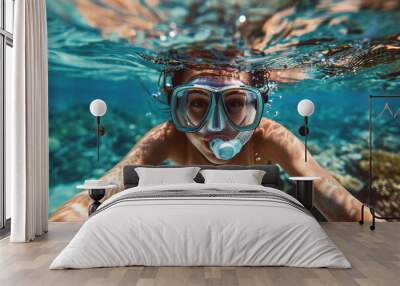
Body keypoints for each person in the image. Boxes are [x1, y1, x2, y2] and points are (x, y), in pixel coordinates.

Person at [50, 60, 373, 222]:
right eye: (198, 103)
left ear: (257, 105)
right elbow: (108, 184)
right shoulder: (166, 137)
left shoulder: (270, 137)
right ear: (177, 106)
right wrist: (59, 231)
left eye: (234, 103)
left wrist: (376, 234)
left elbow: (330, 192)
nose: (215, 127)